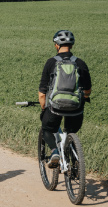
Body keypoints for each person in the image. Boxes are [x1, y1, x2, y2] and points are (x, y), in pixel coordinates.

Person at [39, 30, 91, 168]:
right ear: (72, 45)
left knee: (47, 128)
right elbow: (87, 89)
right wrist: (85, 98)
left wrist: (44, 108)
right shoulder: (80, 63)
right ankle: (74, 161)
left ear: (56, 45)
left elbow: (42, 93)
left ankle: (55, 151)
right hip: (76, 108)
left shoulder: (51, 63)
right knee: (71, 130)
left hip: (55, 107)